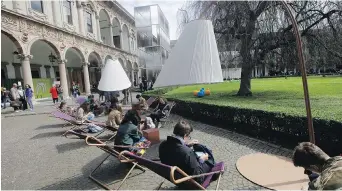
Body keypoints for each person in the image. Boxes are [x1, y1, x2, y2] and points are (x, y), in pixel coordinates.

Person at [159, 120, 215, 188]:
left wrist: (186, 145)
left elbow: (176, 151)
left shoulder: (162, 145)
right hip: (188, 180)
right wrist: (201, 160)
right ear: (185, 135)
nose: (188, 138)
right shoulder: (188, 153)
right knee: (210, 161)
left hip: (173, 175)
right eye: (188, 136)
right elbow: (198, 178)